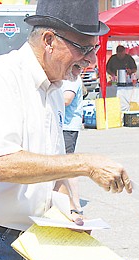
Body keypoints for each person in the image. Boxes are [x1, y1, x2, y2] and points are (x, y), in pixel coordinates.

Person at [0, 0, 132, 260]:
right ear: (49, 40)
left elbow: (51, 171)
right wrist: (85, 164)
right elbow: (0, 165)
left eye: (95, 49)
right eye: (85, 48)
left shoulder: (53, 88)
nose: (90, 60)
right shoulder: (0, 75)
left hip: (29, 242)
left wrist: (72, 216)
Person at [59, 76, 84, 213]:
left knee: (68, 165)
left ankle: (75, 203)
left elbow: (67, 99)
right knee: (63, 164)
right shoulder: (66, 77)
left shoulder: (72, 78)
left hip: (68, 126)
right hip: (63, 125)